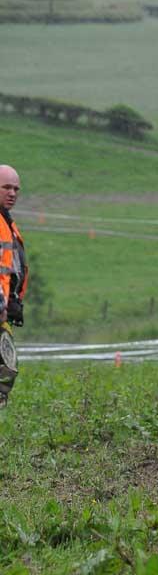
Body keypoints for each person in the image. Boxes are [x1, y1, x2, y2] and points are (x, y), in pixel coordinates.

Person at [0, 164, 28, 406]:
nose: (12, 193)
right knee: (4, 372)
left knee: (6, 373)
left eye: (16, 189)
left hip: (4, 311)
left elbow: (11, 268)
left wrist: (13, 301)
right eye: (6, 187)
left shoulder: (7, 222)